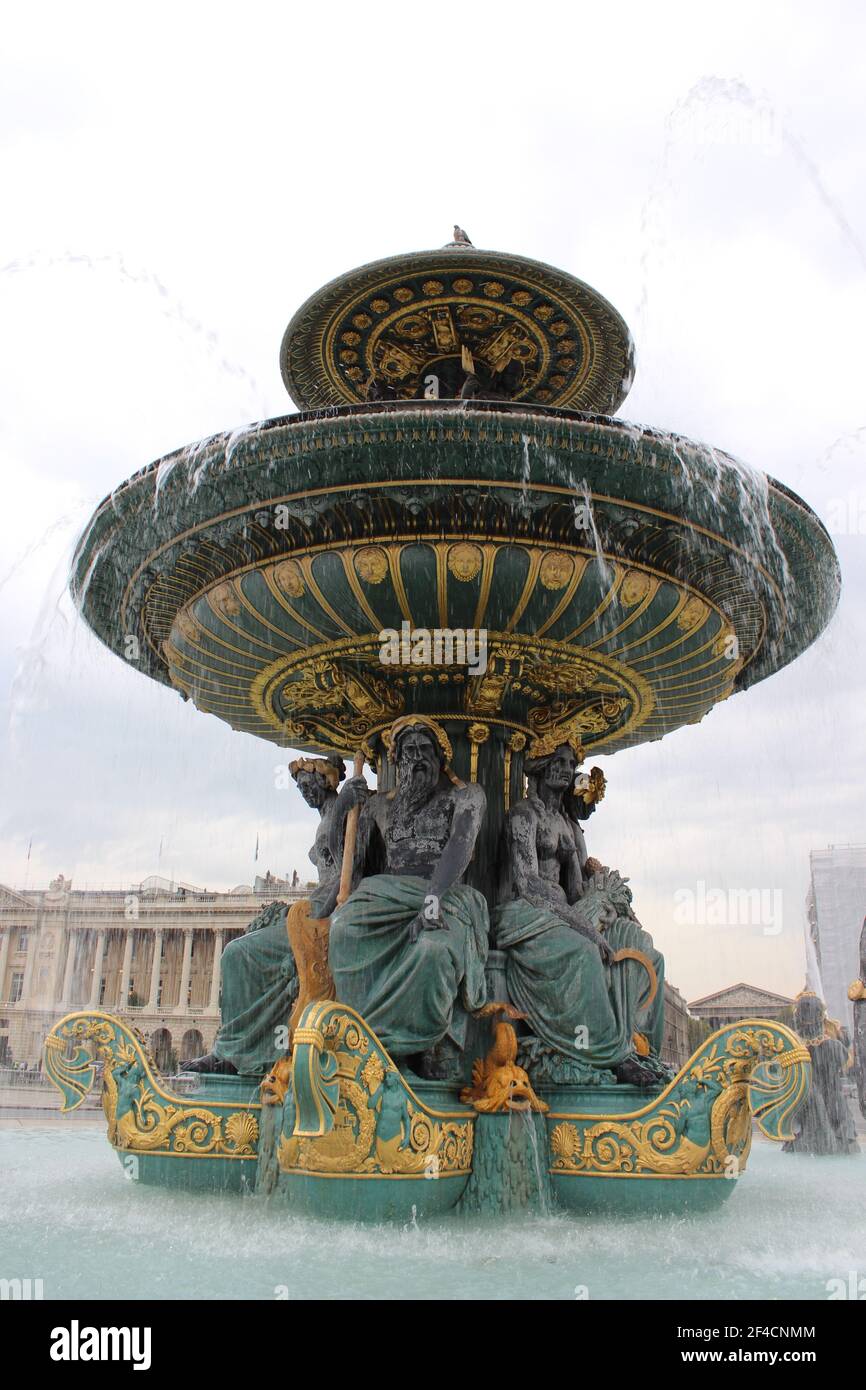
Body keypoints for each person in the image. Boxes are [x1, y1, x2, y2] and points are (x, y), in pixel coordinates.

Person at [493, 735, 665, 1086]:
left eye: (571, 763)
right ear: (538, 766)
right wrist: (583, 925)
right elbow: (528, 883)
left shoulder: (566, 828)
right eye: (558, 760)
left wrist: (609, 903)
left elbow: (575, 892)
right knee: (585, 950)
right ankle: (607, 1055)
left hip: (561, 912)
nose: (567, 768)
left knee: (642, 948)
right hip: (524, 912)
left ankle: (638, 1044)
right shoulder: (522, 816)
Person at [328, 716, 488, 1078]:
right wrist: (342, 808)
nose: (417, 758)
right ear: (396, 760)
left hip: (444, 893)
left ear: (440, 758)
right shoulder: (378, 806)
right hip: (386, 895)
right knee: (343, 930)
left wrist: (434, 896)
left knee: (433, 952)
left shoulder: (466, 796)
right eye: (408, 751)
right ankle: (361, 1039)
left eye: (425, 750)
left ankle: (421, 1043)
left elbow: (459, 847)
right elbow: (349, 869)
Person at [182, 755, 345, 1076]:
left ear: (326, 782)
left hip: (330, 914)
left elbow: (351, 871)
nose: (306, 793)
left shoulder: (349, 811)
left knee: (240, 953)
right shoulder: (332, 813)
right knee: (238, 950)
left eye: (310, 785)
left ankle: (236, 1052)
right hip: (314, 908)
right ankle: (237, 1049)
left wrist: (317, 911)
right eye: (300, 789)